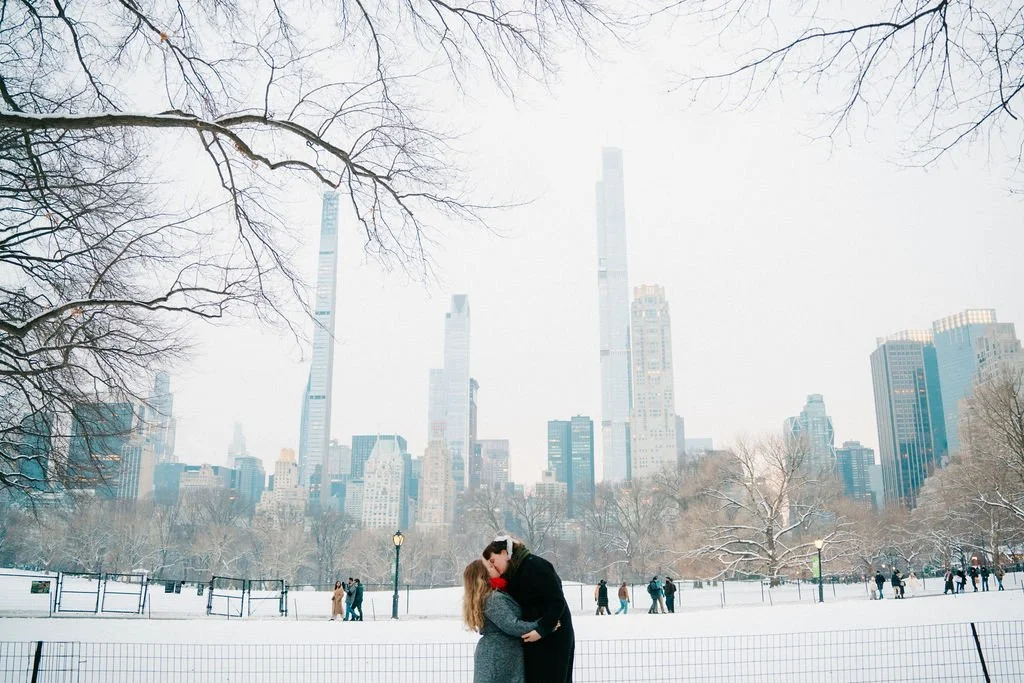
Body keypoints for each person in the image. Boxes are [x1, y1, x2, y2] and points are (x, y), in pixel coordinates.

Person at [483, 536, 574, 683]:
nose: (493, 567)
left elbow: (557, 602)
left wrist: (542, 630)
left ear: (505, 553)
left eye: (493, 561)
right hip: (532, 638)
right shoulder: (513, 574)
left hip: (553, 637)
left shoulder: (536, 566)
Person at [463, 559, 539, 683]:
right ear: (484, 575)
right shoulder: (493, 598)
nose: (495, 567)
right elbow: (512, 626)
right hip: (499, 655)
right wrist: (543, 625)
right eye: (490, 567)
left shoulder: (490, 595)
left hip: (497, 653)